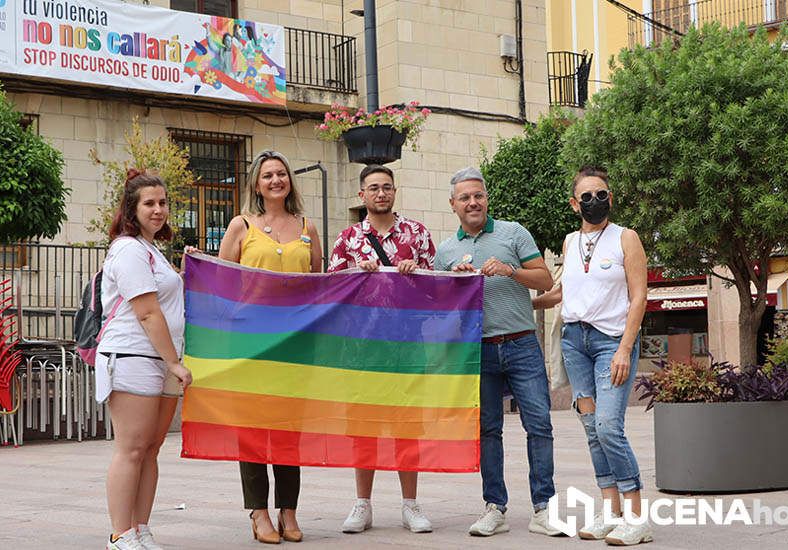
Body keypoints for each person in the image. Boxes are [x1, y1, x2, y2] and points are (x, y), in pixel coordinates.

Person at [434, 167, 563, 538]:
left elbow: (544, 279)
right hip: (479, 351)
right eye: (465, 198)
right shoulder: (446, 250)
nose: (473, 202)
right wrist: (455, 281)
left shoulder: (513, 232)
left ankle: (544, 508)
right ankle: (495, 508)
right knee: (489, 430)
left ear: (486, 198)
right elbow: (441, 306)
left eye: (479, 195)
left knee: (539, 425)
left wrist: (510, 270)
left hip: (522, 343)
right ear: (453, 205)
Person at [532, 167, 651, 545]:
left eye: (601, 194)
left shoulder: (626, 238)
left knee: (608, 427)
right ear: (574, 204)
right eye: (586, 197)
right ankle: (609, 510)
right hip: (574, 343)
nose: (594, 201)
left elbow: (639, 296)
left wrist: (625, 349)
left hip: (610, 343)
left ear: (610, 198)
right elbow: (561, 292)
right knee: (590, 429)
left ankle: (635, 517)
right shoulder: (569, 242)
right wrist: (522, 303)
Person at [217, 150, 322, 544]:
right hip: (251, 342)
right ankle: (258, 512)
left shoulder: (308, 227)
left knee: (289, 431)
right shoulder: (240, 226)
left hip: (296, 344)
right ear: (256, 184)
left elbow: (318, 283)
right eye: (268, 176)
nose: (276, 180)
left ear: (289, 180)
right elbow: (221, 282)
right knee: (253, 429)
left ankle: (289, 511)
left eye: (281, 174)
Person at [327, 164, 436, 534]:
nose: (381, 193)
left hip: (408, 345)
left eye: (387, 187)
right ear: (362, 195)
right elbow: (332, 290)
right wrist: (357, 272)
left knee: (407, 425)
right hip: (363, 347)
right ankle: (362, 504)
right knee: (364, 426)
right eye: (373, 188)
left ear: (394, 191)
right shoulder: (347, 241)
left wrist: (415, 272)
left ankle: (411, 504)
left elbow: (438, 289)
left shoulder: (417, 234)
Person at [97, 169, 193, 550]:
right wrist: (174, 362)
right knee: (132, 448)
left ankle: (141, 527)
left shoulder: (152, 250)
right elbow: (147, 312)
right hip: (134, 356)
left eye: (163, 202)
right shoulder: (127, 249)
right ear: (131, 209)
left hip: (161, 360)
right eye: (149, 203)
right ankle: (120, 534)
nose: (158, 210)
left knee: (150, 449)